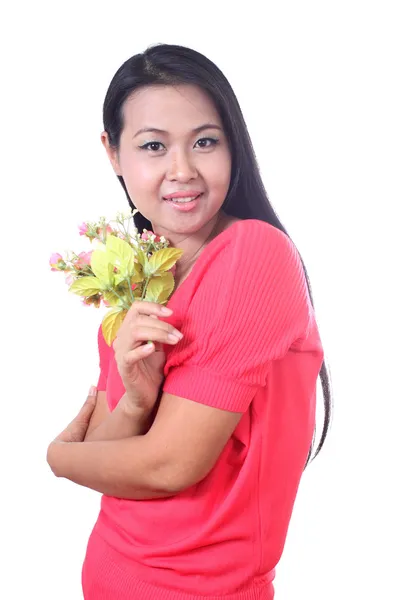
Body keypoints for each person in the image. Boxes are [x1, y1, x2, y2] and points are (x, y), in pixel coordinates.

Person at [47, 43, 332, 600]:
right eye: (153, 146)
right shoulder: (140, 282)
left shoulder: (254, 254)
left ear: (234, 147)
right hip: (107, 574)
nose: (183, 171)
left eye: (206, 141)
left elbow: (168, 466)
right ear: (112, 153)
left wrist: (58, 457)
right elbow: (113, 457)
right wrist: (135, 400)